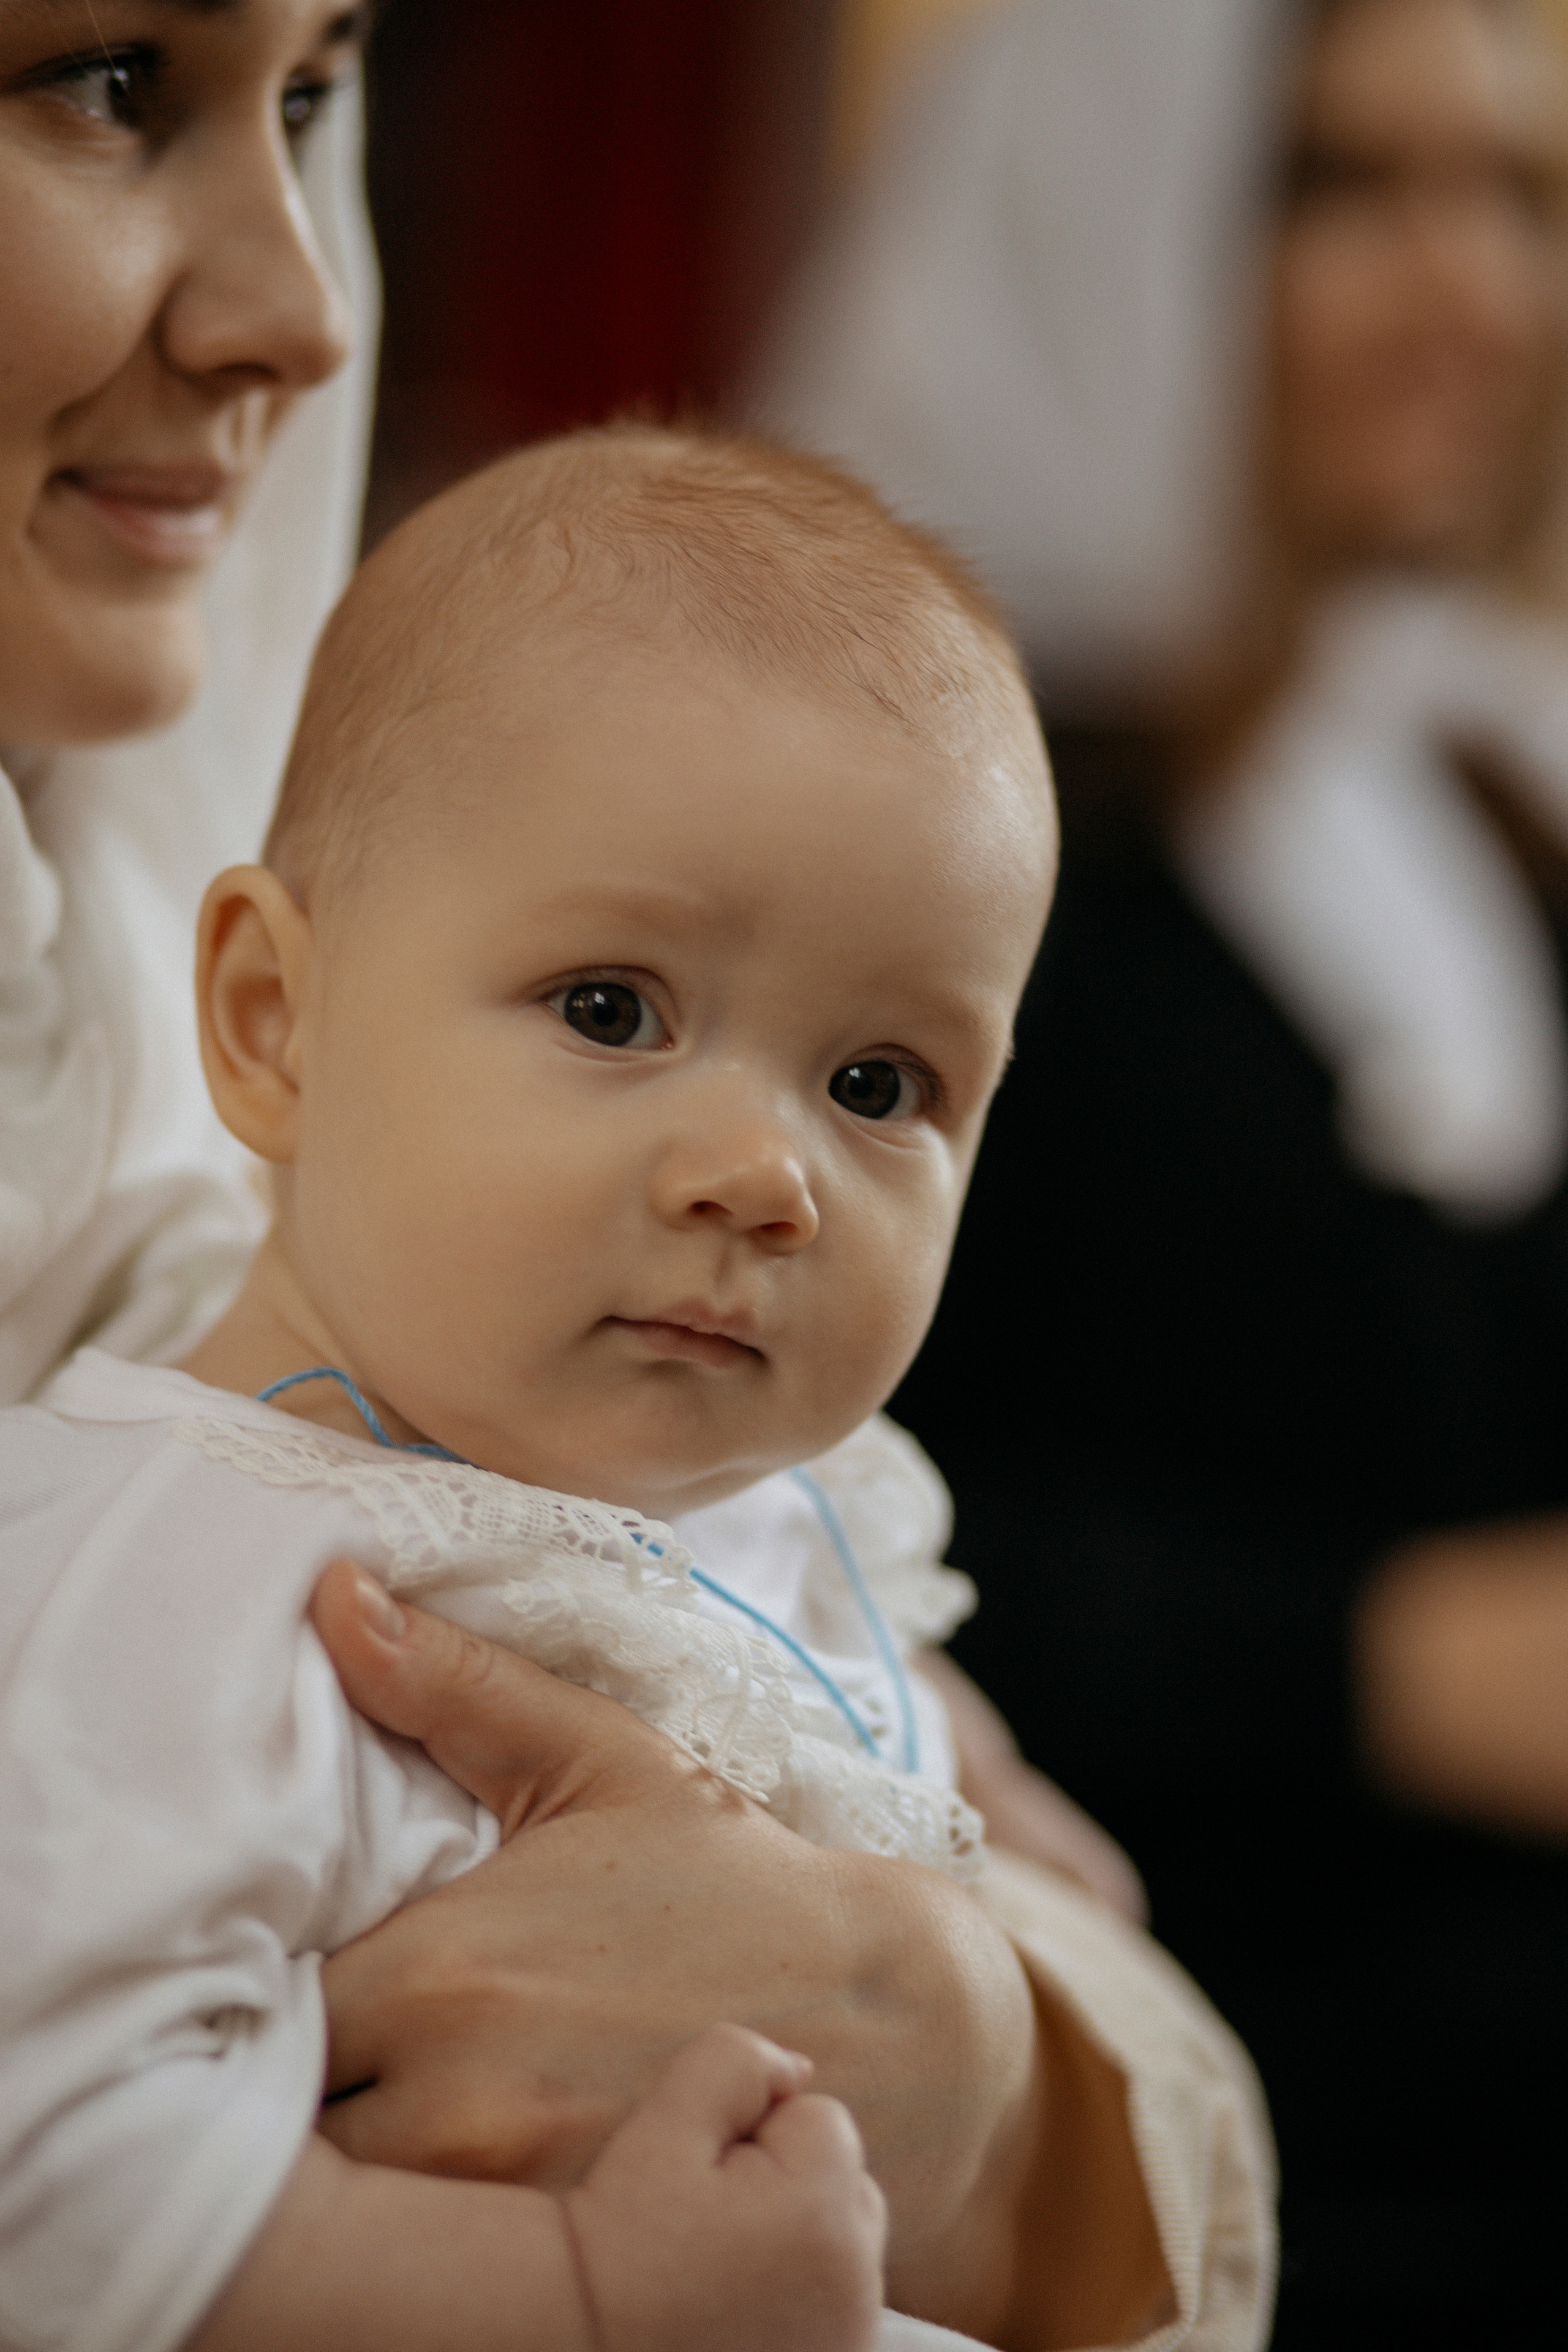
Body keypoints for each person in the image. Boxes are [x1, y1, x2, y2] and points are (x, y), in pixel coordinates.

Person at [0, 15, 1271, 2346]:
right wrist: (580, 2288)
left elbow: (1076, 1999)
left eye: (882, 1081)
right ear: (268, 1023)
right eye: (610, 1010)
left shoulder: (763, 1514)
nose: (768, 1174)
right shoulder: (197, 1595)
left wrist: (988, 1954)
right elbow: (54, 2192)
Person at [756, 0, 1568, 2342]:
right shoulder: (958, 853)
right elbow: (773, 1498)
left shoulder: (1479, 801)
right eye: (1349, 187)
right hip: (1208, 2153)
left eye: (1520, 195)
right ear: (1113, 233)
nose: (1473, 286)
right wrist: (1378, 1666)